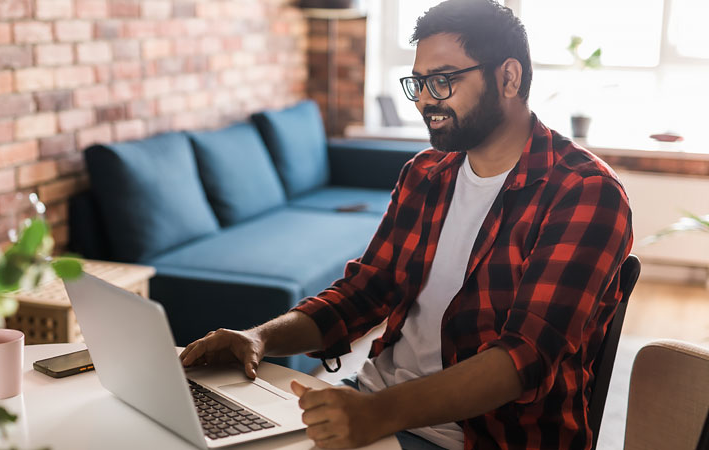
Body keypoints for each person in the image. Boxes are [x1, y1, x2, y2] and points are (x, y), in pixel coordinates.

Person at [179, 1, 633, 449]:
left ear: (508, 77)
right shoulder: (425, 174)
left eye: (441, 81)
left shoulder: (585, 192)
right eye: (417, 82)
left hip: (483, 437)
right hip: (377, 405)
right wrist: (258, 337)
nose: (422, 100)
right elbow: (364, 292)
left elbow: (524, 358)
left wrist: (376, 414)